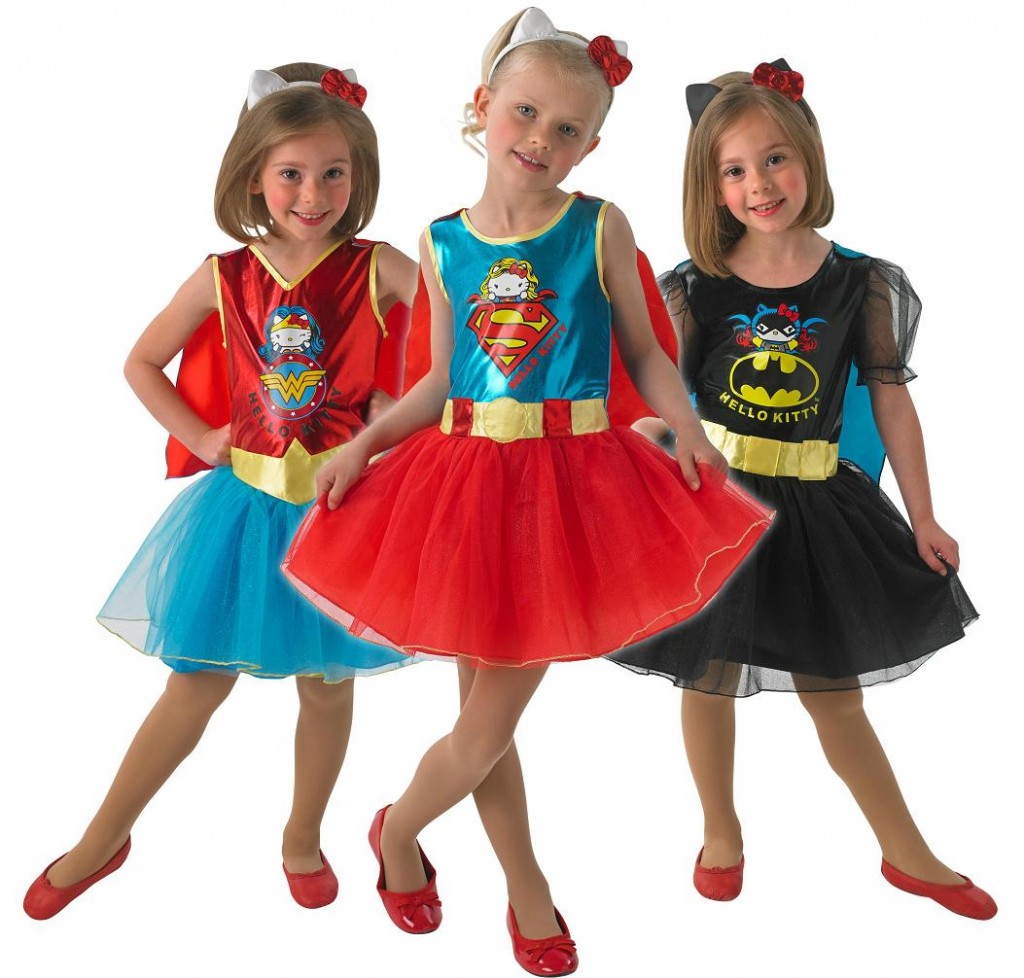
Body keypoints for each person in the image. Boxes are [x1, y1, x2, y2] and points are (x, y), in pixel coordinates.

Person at [283, 9, 772, 975]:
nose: (542, 138)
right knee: (486, 724)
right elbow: (437, 381)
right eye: (526, 113)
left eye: (568, 127)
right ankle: (519, 884)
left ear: (593, 144)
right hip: (463, 486)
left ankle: (397, 829)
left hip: (571, 490)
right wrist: (365, 447)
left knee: (485, 722)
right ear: (483, 106)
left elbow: (645, 352)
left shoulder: (597, 225)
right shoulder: (441, 241)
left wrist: (688, 428)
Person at [23, 62, 416, 920]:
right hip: (242, 511)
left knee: (327, 683)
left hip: (340, 513)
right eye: (291, 173)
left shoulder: (379, 266)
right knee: (194, 683)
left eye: (334, 173)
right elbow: (141, 360)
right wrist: (201, 436)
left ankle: (303, 836)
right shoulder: (224, 275)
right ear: (251, 176)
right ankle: (103, 838)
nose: (313, 194)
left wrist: (402, 405)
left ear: (359, 175)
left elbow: (464, 346)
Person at [609, 60, 994, 919]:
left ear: (810, 156)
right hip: (715, 504)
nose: (759, 184)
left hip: (818, 507)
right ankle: (720, 830)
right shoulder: (698, 286)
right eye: (734, 170)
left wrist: (925, 515)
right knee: (706, 675)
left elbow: (889, 401)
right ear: (711, 187)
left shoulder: (862, 282)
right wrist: (635, 471)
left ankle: (907, 851)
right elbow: (659, 398)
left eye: (774, 159)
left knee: (835, 693)